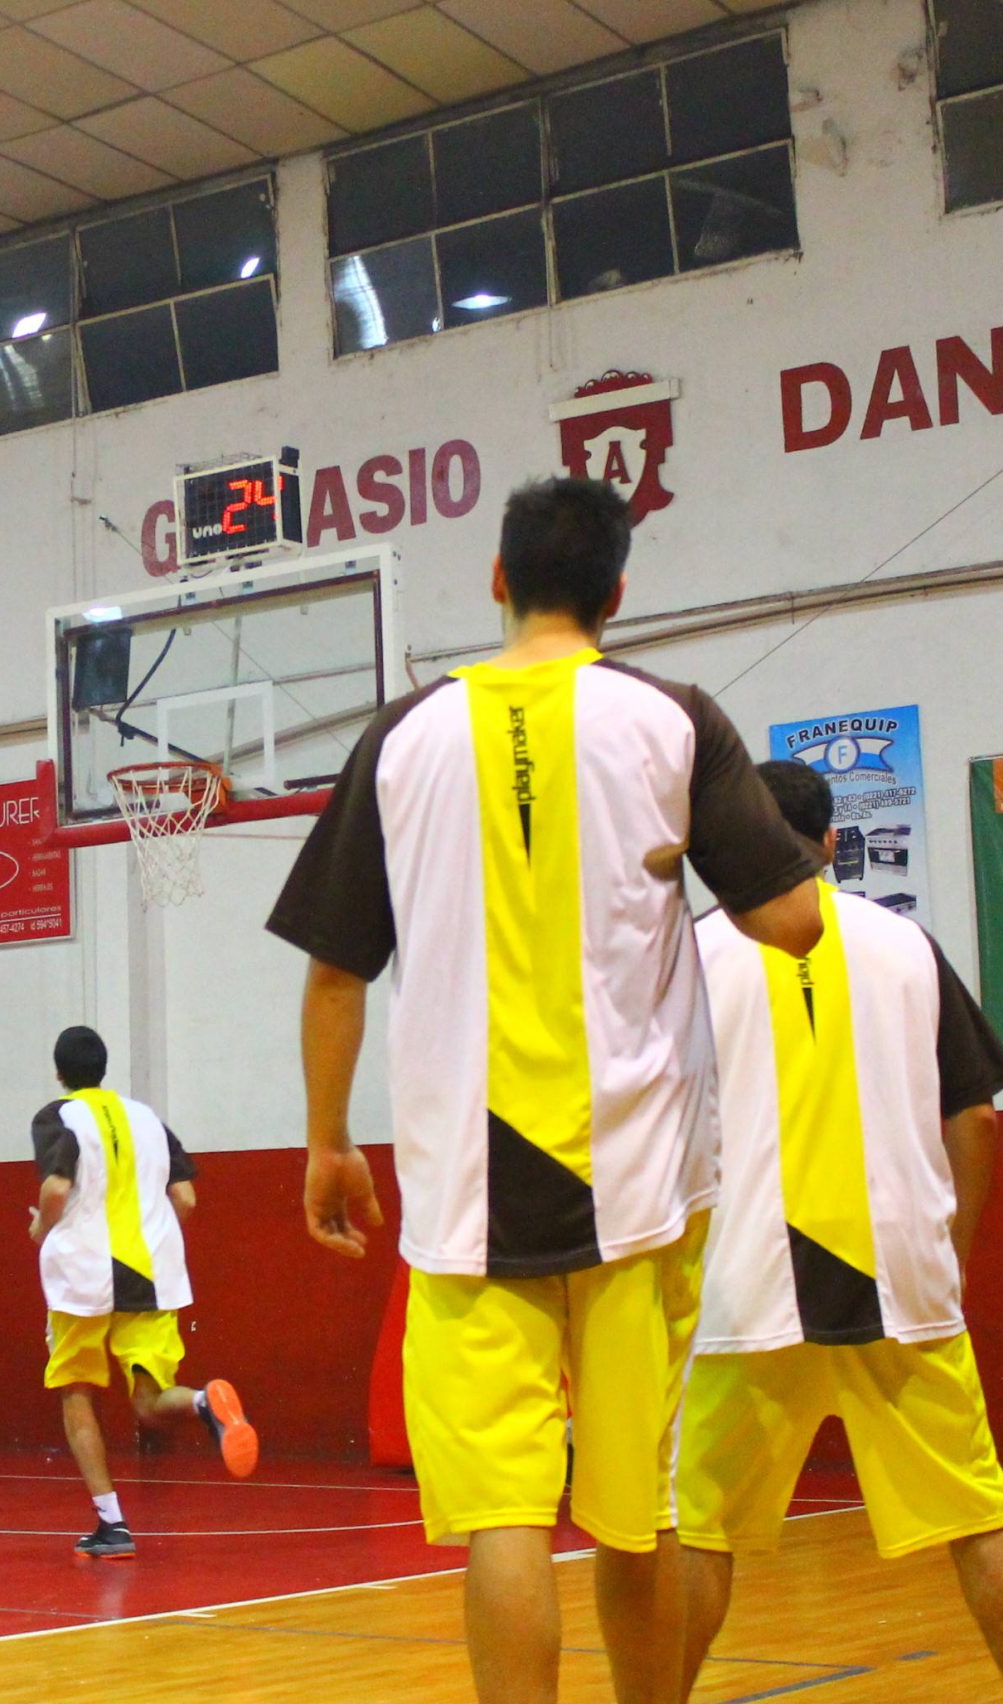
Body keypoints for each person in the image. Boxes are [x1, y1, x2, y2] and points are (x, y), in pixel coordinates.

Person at [267, 477, 823, 1704]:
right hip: (639, 1185)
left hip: (465, 1193)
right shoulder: (674, 720)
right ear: (616, 592)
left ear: (496, 579)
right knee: (636, 1517)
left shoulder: (400, 737)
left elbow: (335, 972)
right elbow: (789, 922)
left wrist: (326, 1141)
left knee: (505, 1522)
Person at [674, 762, 1003, 1704]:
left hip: (743, 1288)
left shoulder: (689, 957)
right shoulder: (907, 945)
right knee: (981, 1515)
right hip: (902, 1279)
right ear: (833, 844)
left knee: (693, 1529)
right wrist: (950, 1254)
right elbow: (979, 1117)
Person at [29, 1025, 258, 1561]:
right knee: (151, 1402)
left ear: (59, 1072)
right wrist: (156, 1239)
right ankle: (203, 1402)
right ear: (104, 1067)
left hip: (83, 1272)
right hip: (152, 1273)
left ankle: (112, 1525)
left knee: (77, 1392)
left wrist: (41, 1226)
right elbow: (187, 1197)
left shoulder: (57, 1116)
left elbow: (57, 1186)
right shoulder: (148, 1118)